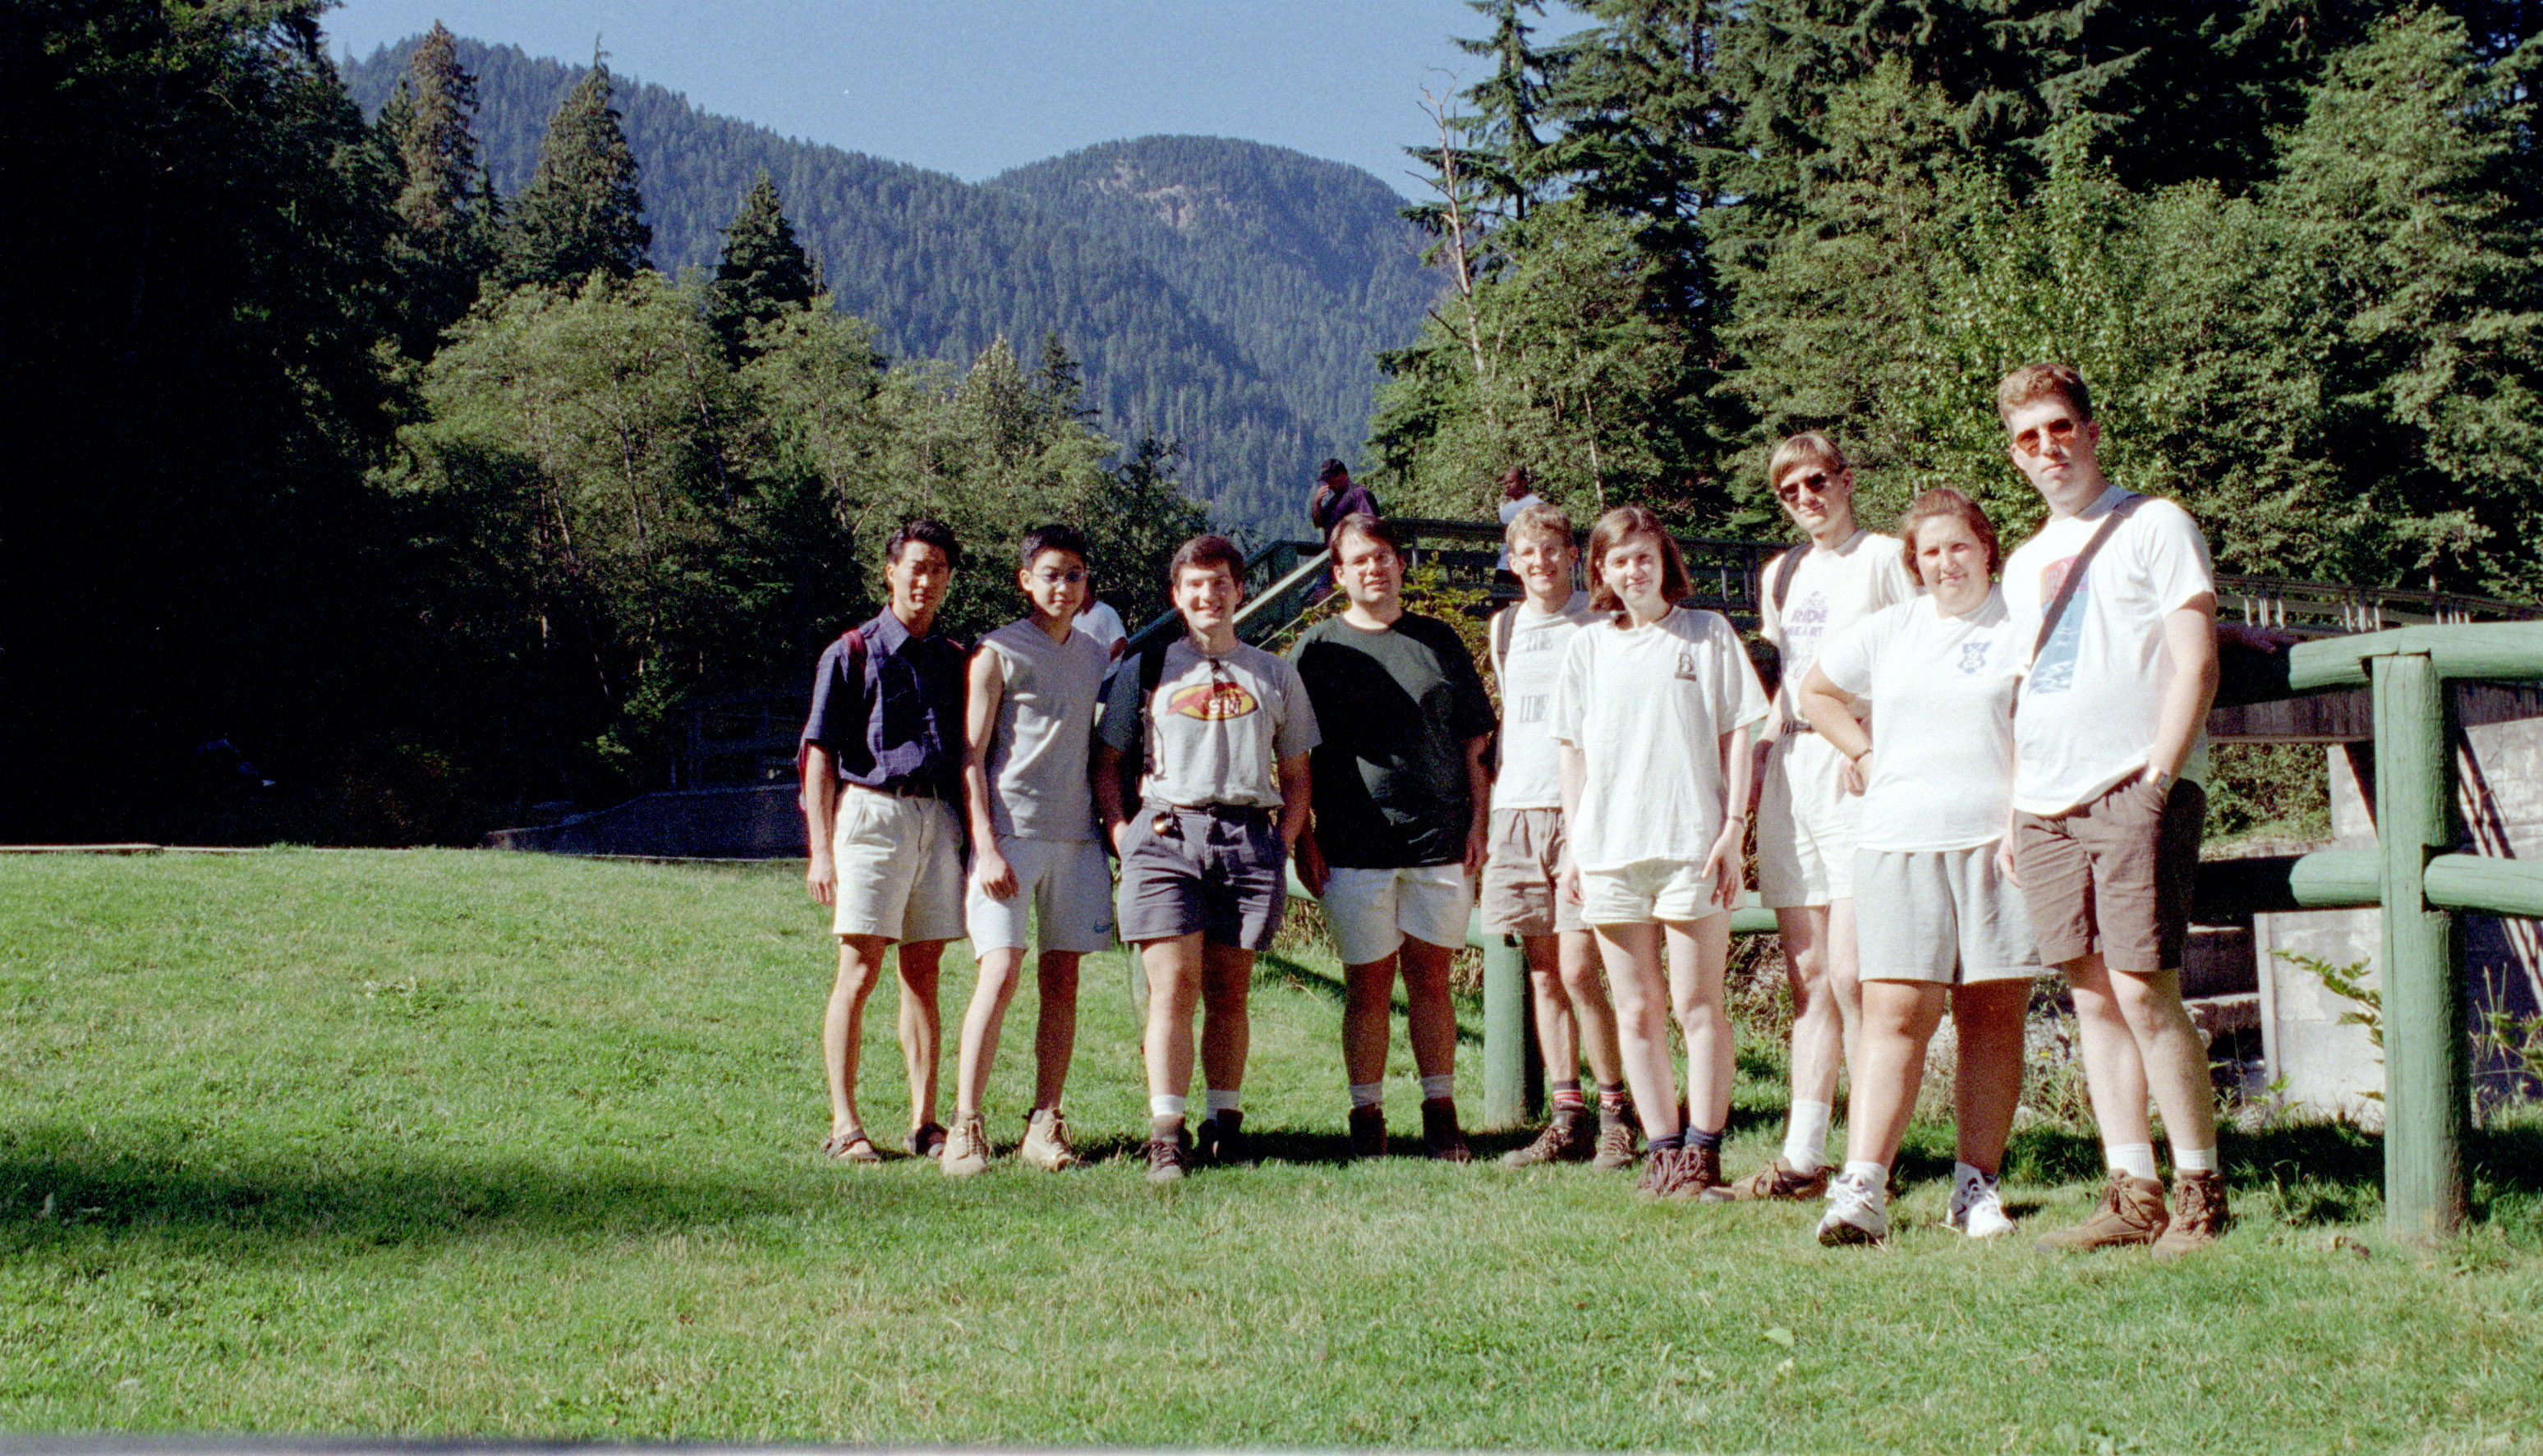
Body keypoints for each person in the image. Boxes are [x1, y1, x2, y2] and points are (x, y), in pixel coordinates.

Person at [1996, 362, 2228, 1258]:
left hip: (2133, 785)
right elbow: (2025, 690)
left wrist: (2158, 781)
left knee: (2143, 987)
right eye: (2029, 437)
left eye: (2061, 427)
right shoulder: (2024, 563)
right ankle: (2133, 1193)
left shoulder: (2156, 524)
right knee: (2091, 996)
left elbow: (2196, 661)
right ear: (2016, 455)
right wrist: (2015, 809)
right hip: (2043, 803)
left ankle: (2200, 1193)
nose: (2048, 447)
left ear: (2092, 432)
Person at [1795, 489, 2039, 1244]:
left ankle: (1975, 1188)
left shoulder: (2022, 623)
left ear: (1987, 547)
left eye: (1959, 545)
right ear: (1914, 563)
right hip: (1898, 841)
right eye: (1930, 552)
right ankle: (1863, 1188)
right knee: (1895, 1014)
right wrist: (1864, 753)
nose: (1945, 562)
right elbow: (1815, 692)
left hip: (1996, 843)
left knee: (1991, 1015)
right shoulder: (1891, 628)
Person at [1552, 506, 1769, 1199]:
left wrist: (1733, 828)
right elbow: (1572, 753)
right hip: (1610, 853)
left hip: (1692, 848)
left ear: (1664, 561)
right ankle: (1663, 1149)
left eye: (1644, 557)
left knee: (1696, 1004)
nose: (1633, 571)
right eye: (1619, 560)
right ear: (1601, 570)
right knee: (1636, 1008)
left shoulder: (1707, 634)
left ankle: (1703, 1149)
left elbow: (1741, 733)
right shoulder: (1587, 647)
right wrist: (1576, 847)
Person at [1095, 535, 1318, 1183]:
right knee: (1173, 987)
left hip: (1247, 838)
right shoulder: (1148, 668)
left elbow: (1297, 773)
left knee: (1229, 992)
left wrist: (1281, 843)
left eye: (1220, 582)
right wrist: (1123, 834)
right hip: (1166, 834)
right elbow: (1107, 762)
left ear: (1240, 590)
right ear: (1177, 594)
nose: (1208, 595)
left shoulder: (1274, 672)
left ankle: (1225, 1122)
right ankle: (1167, 1132)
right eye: (1194, 584)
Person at [1735, 433, 1917, 1203]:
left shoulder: (1884, 558)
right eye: (1790, 491)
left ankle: (1870, 1161)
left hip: (1855, 766)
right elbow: (1781, 681)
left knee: (1853, 974)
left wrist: (1876, 739)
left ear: (1845, 479)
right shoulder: (1782, 573)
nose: (1807, 498)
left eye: (1817, 481)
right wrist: (1759, 761)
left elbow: (1919, 652)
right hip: (1793, 766)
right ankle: (1802, 1157)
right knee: (1808, 975)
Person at [1290, 512, 1497, 1161]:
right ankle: (1367, 1117)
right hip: (1352, 844)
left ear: (1400, 564)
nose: (1373, 568)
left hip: (1440, 839)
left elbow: (1476, 743)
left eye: (1383, 556)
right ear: (1339, 574)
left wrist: (1480, 825)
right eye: (1359, 560)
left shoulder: (1437, 640)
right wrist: (1303, 839)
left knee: (1432, 982)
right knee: (1367, 985)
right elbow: (1294, 754)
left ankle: (1441, 1114)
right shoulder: (1317, 648)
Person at [942, 525, 1115, 1178]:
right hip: (1011, 835)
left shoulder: (1095, 654)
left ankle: (1045, 1122)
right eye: (1050, 574)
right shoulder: (997, 652)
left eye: (1074, 575)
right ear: (1025, 580)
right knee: (1000, 971)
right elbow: (970, 754)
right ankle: (965, 1124)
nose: (1062, 586)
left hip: (1076, 836)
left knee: (1062, 977)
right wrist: (985, 844)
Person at [801, 518, 968, 1164]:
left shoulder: (955, 658)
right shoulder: (851, 651)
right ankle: (845, 1124)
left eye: (938, 569)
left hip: (936, 817)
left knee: (923, 973)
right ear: (890, 571)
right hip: (871, 814)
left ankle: (925, 1122)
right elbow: (819, 754)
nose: (926, 580)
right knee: (860, 968)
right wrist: (821, 849)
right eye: (916, 567)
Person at [1483, 503, 1637, 1170]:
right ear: (1513, 562)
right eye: (1527, 552)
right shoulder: (1505, 626)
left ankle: (1617, 1113)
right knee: (1544, 973)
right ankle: (1566, 1116)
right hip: (1517, 809)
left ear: (1573, 555)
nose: (1540, 562)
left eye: (1552, 549)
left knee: (1580, 969)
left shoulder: (1603, 621)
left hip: (1585, 811)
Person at [1492, 466, 1545, 581]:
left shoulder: (1536, 505)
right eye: (1506, 483)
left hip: (1529, 564)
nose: (1507, 485)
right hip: (1506, 564)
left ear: (1522, 482)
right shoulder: (1505, 510)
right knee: (1497, 592)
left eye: (1511, 482)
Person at [1307, 458, 1379, 543]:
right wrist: (1317, 502)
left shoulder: (1358, 493)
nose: (1329, 485)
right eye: (1327, 481)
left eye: (1331, 480)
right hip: (1335, 548)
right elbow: (1318, 523)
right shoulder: (1333, 502)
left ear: (1342, 475)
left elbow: (1369, 523)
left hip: (1354, 545)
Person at [1076, 596, 1129, 662]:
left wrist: (1100, 663)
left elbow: (1120, 642)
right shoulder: (1075, 621)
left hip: (1111, 667)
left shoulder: (1105, 610)